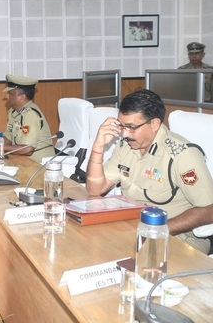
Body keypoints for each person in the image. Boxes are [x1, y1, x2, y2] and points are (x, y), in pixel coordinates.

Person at [86, 89, 213, 254]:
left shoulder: (181, 154)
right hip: (132, 229)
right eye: (122, 126)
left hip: (178, 238)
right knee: (90, 249)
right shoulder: (125, 147)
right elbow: (95, 190)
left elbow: (209, 209)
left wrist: (158, 230)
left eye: (131, 127)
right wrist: (98, 146)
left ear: (154, 124)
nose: (125, 134)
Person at [0, 75, 55, 163]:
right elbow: (8, 139)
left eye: (11, 94)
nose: (6, 96)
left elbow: (28, 149)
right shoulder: (13, 112)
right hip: (23, 161)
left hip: (40, 165)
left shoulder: (30, 114)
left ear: (22, 97)